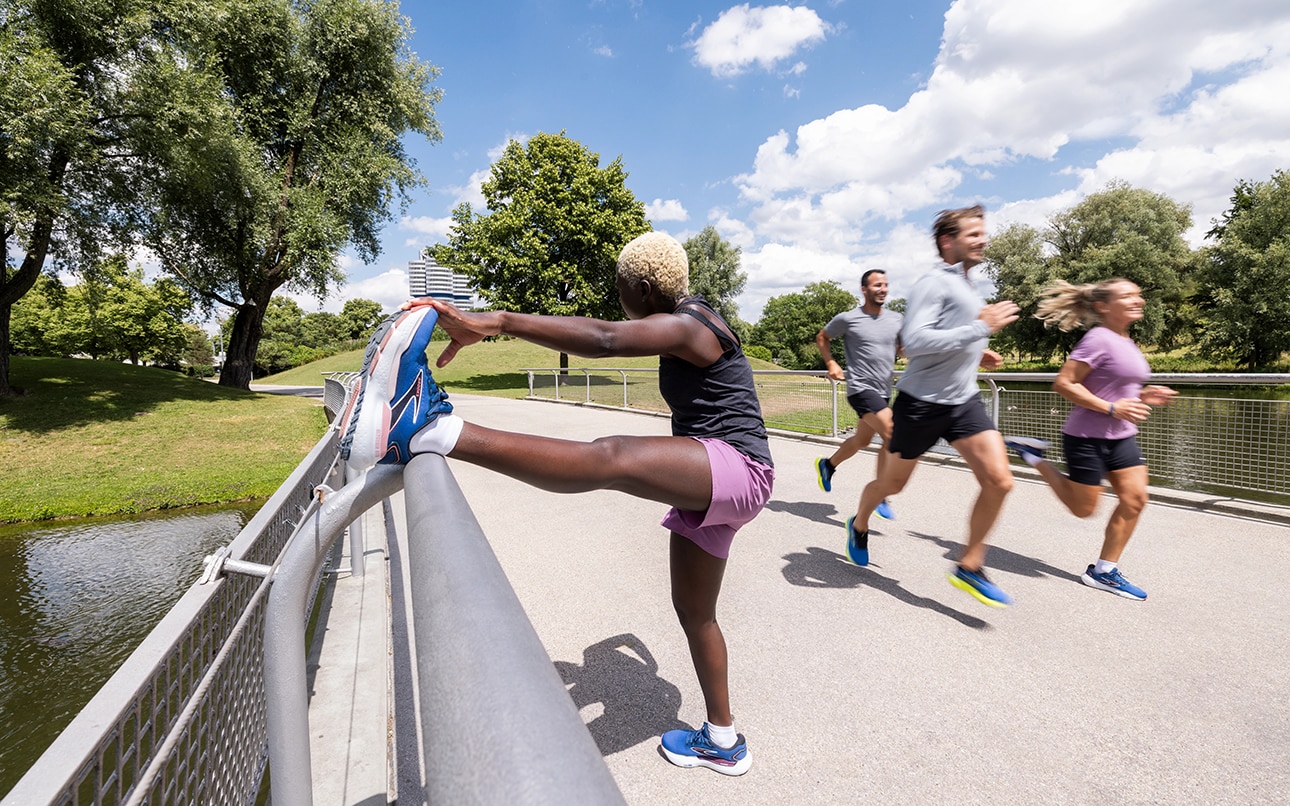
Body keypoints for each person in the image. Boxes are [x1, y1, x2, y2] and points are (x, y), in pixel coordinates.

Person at [337, 231, 772, 776]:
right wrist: (620, 654)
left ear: (640, 288)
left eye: (620, 291)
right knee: (695, 612)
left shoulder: (694, 323)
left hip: (736, 465)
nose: (618, 302)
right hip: (722, 478)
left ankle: (431, 429)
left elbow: (607, 339)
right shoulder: (686, 325)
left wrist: (497, 321)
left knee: (611, 456)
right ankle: (723, 741)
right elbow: (613, 333)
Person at [847, 205, 1021, 607]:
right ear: (948, 241)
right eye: (973, 234)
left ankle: (970, 566)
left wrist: (980, 351)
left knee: (1000, 480)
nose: (983, 239)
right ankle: (858, 523)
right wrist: (982, 328)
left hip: (963, 400)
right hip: (921, 404)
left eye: (983, 232)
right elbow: (917, 341)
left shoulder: (967, 285)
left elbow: (953, 336)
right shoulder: (933, 283)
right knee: (893, 484)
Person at [1003, 279, 1176, 601]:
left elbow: (1114, 387)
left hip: (1122, 436)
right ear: (1103, 307)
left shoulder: (1127, 339)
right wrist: (1112, 408)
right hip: (1086, 437)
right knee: (1083, 510)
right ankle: (1033, 456)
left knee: (1135, 499)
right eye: (1127, 296)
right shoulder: (1098, 338)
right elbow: (1064, 384)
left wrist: (1144, 394)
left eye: (1138, 294)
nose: (1138, 300)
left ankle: (1104, 571)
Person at [813, 269, 902, 523]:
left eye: (885, 284)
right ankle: (881, 493)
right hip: (860, 388)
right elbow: (822, 336)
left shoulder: (897, 319)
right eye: (877, 285)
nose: (882, 289)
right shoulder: (849, 318)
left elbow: (902, 348)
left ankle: (828, 465)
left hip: (883, 390)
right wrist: (831, 363)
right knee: (893, 434)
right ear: (864, 289)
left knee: (863, 440)